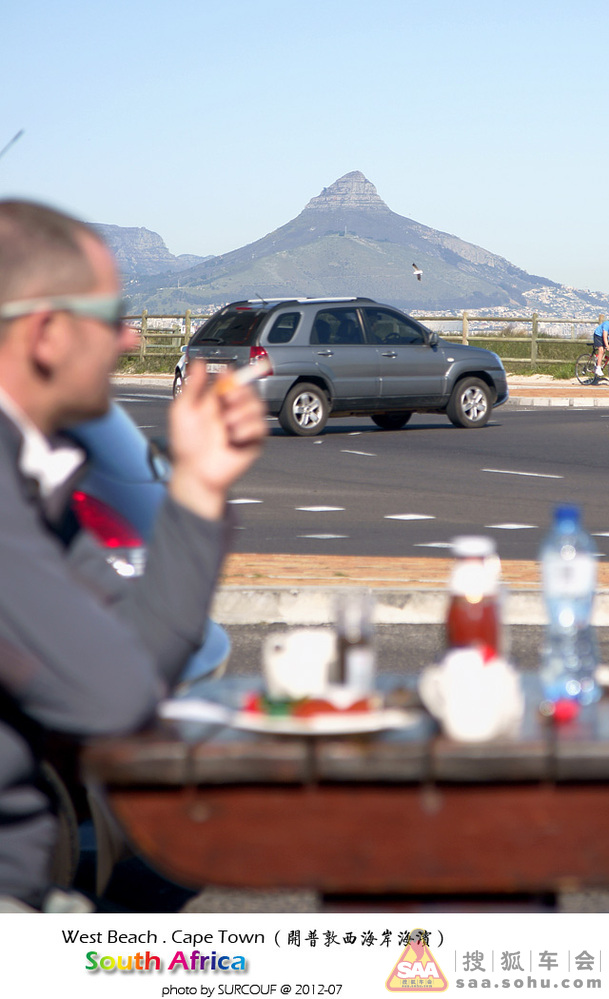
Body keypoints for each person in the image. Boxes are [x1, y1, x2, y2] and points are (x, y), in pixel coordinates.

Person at [0, 199, 267, 910]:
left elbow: (134, 665)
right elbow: (113, 697)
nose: (128, 337)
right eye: (111, 315)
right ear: (48, 332)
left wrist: (200, 487)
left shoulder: (35, 478)